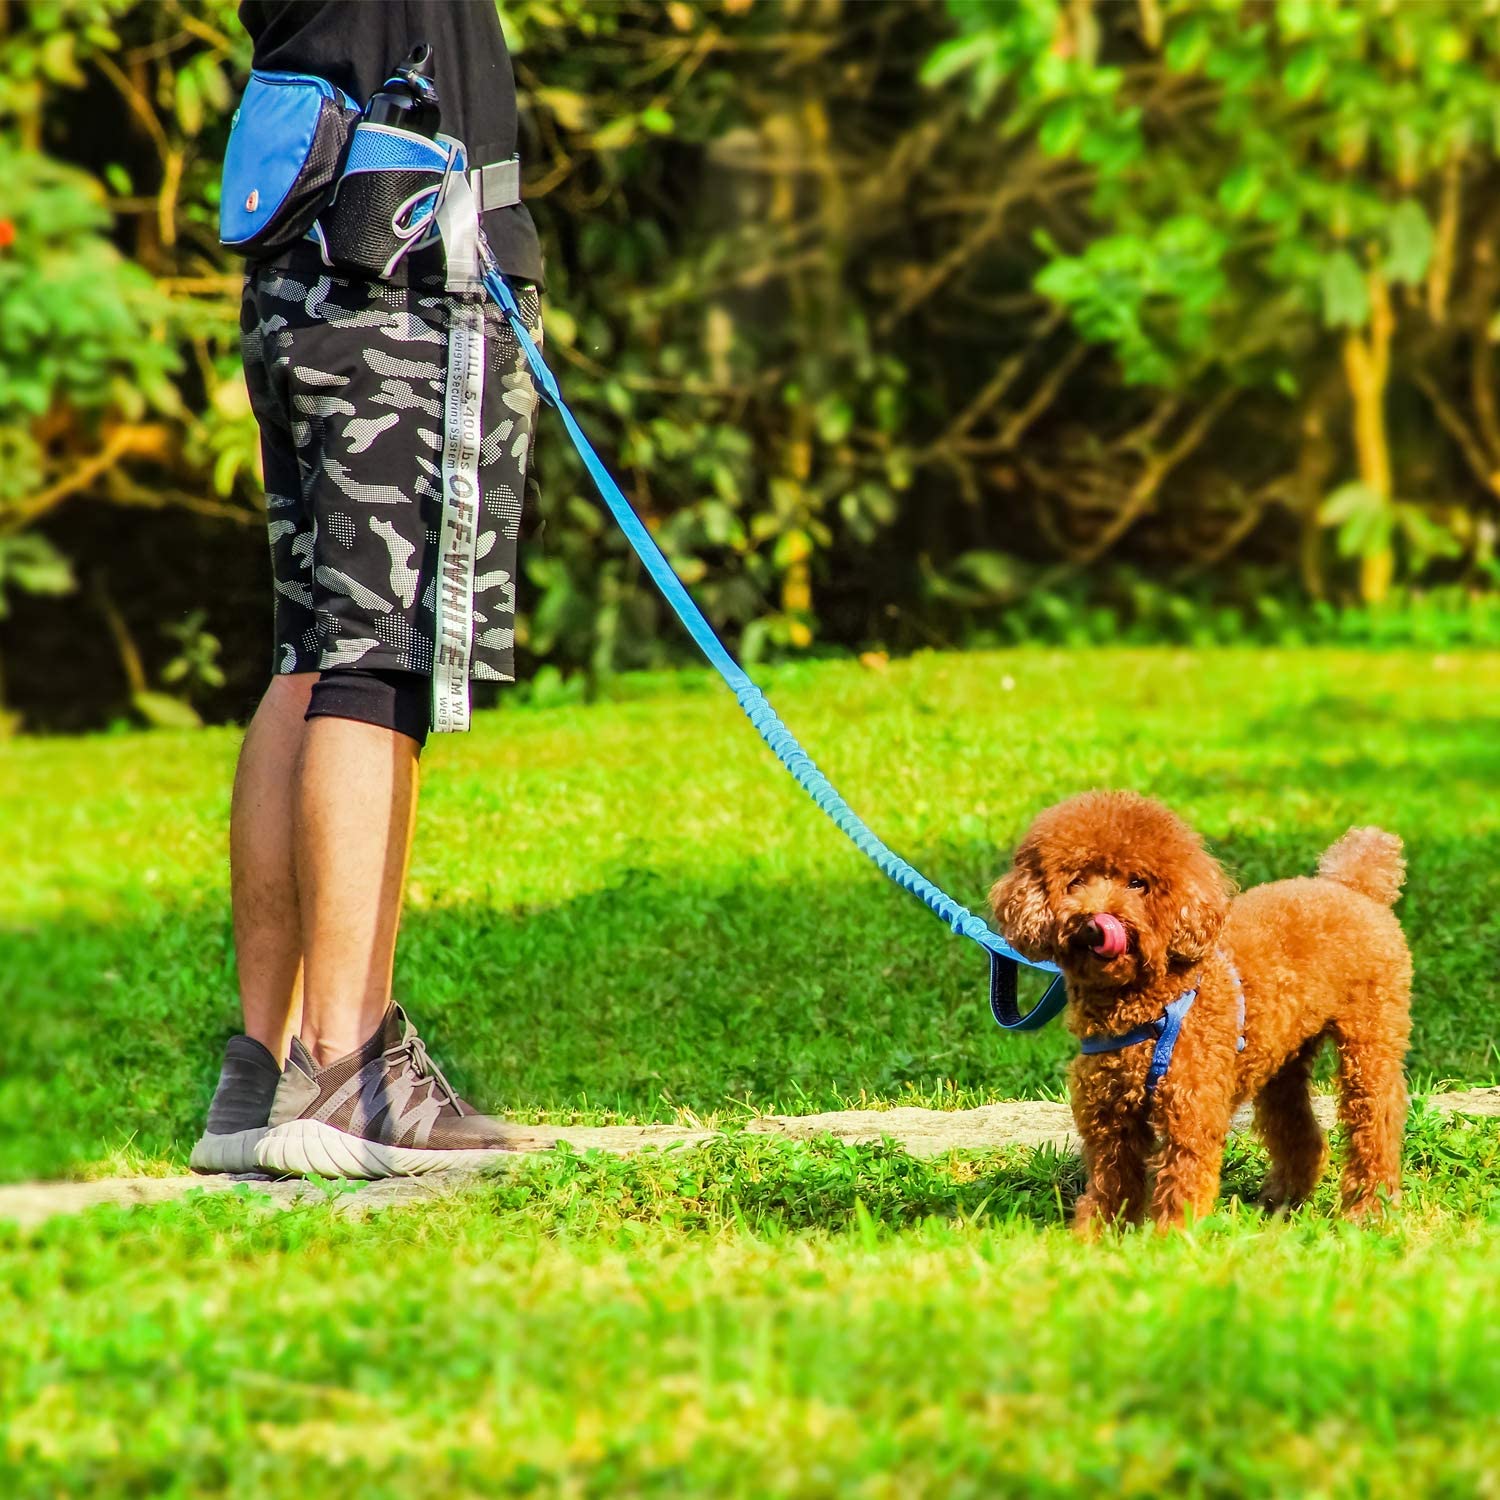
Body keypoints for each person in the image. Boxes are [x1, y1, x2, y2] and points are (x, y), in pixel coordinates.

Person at [191, 0, 548, 1178]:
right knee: (377, 660)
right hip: (403, 270)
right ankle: (347, 1072)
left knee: (315, 657)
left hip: (309, 263)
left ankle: (267, 1071)